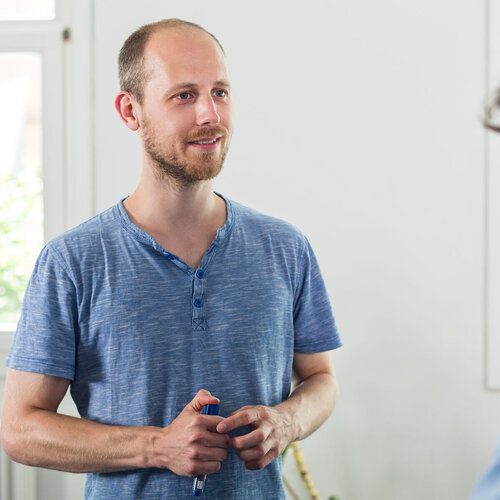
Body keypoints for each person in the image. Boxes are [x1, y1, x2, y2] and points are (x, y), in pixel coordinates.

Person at [0, 19, 342, 499]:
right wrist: (158, 447)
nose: (210, 114)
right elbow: (19, 429)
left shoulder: (285, 247)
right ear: (130, 111)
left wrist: (287, 421)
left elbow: (321, 378)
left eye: (219, 92)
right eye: (183, 95)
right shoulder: (72, 262)